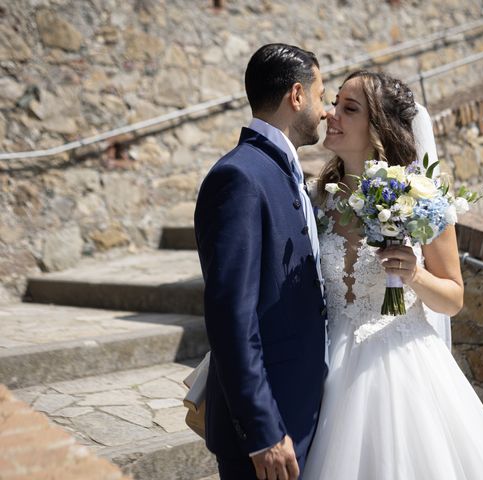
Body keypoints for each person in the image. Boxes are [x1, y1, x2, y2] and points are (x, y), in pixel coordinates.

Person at [303, 71, 483, 479]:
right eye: (335, 103)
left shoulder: (420, 199)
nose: (331, 114)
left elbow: (453, 299)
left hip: (402, 368)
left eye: (349, 109)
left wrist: (415, 275)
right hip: (324, 369)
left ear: (380, 127)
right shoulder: (315, 199)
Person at [193, 43, 328, 480]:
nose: (326, 112)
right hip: (270, 432)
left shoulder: (285, 171)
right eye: (322, 96)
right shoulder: (241, 177)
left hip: (301, 411)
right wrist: (263, 431)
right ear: (297, 95)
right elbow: (232, 316)